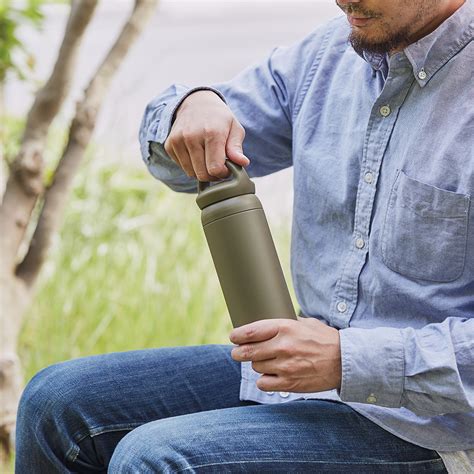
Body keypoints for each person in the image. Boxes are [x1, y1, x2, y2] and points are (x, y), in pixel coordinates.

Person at [15, 0, 473, 472]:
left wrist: (347, 358)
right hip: (302, 381)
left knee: (156, 460)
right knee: (55, 404)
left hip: (432, 429)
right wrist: (191, 106)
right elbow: (179, 155)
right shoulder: (327, 55)